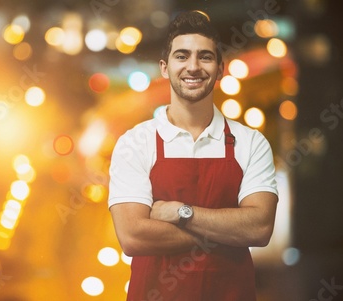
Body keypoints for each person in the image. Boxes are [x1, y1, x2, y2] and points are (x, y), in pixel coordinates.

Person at [108, 10, 279, 301]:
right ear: (165, 67)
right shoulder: (135, 143)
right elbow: (133, 236)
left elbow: (260, 228)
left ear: (221, 68)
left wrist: (179, 213)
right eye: (182, 56)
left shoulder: (251, 142)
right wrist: (230, 232)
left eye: (205, 57)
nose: (193, 66)